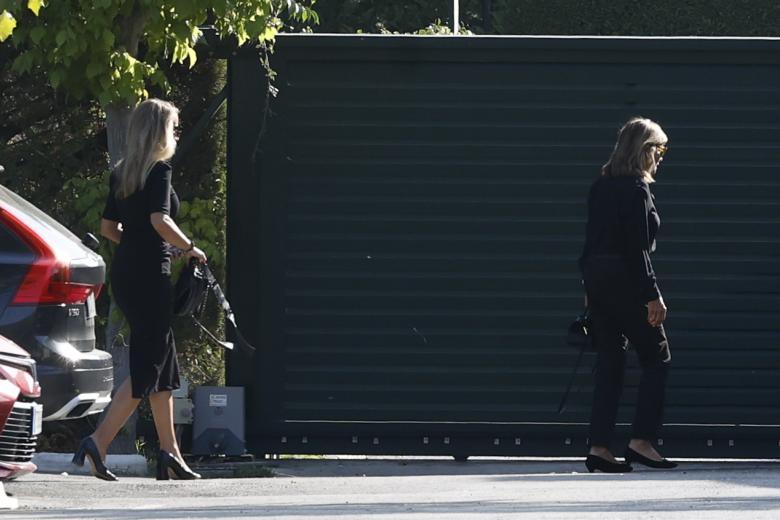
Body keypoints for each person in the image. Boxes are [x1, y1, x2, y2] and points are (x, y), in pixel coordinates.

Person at [72, 98, 207, 481]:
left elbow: (109, 229)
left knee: (162, 364)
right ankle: (98, 442)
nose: (177, 133)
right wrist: (187, 247)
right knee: (149, 366)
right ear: (161, 130)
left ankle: (170, 453)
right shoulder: (159, 170)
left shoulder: (123, 172)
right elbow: (160, 218)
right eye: (174, 126)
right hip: (150, 277)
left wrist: (140, 245)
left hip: (127, 273)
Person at [579, 117, 677, 473]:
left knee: (610, 363)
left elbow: (591, 243)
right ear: (645, 150)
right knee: (657, 358)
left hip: (599, 281)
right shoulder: (636, 189)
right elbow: (637, 250)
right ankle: (642, 442)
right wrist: (653, 295)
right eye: (660, 149)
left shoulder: (601, 186)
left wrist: (589, 291)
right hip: (626, 283)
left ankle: (600, 447)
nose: (662, 157)